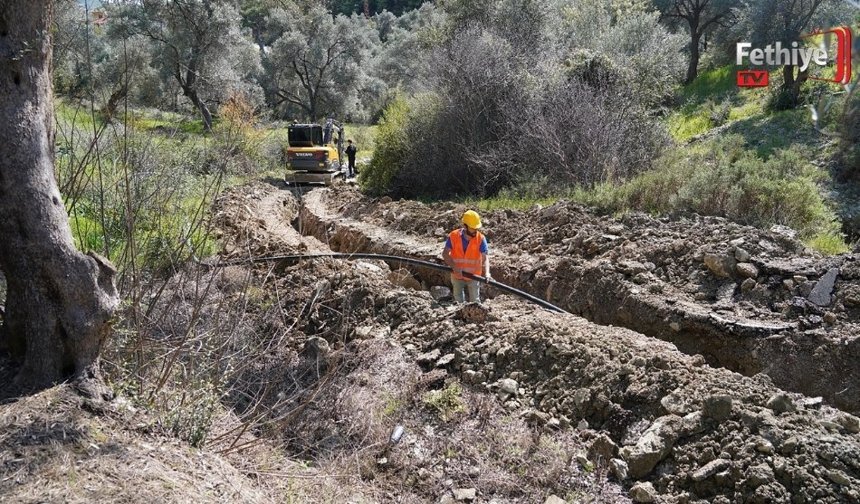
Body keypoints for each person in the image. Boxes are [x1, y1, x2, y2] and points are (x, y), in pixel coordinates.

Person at [442, 210, 491, 303]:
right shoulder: (453, 236)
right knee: (458, 301)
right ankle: (459, 315)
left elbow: (485, 257)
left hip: (474, 276)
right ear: (465, 226)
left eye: (476, 228)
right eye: (473, 228)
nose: (475, 231)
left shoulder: (480, 238)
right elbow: (445, 254)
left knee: (475, 302)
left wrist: (487, 273)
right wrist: (455, 267)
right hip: (457, 275)